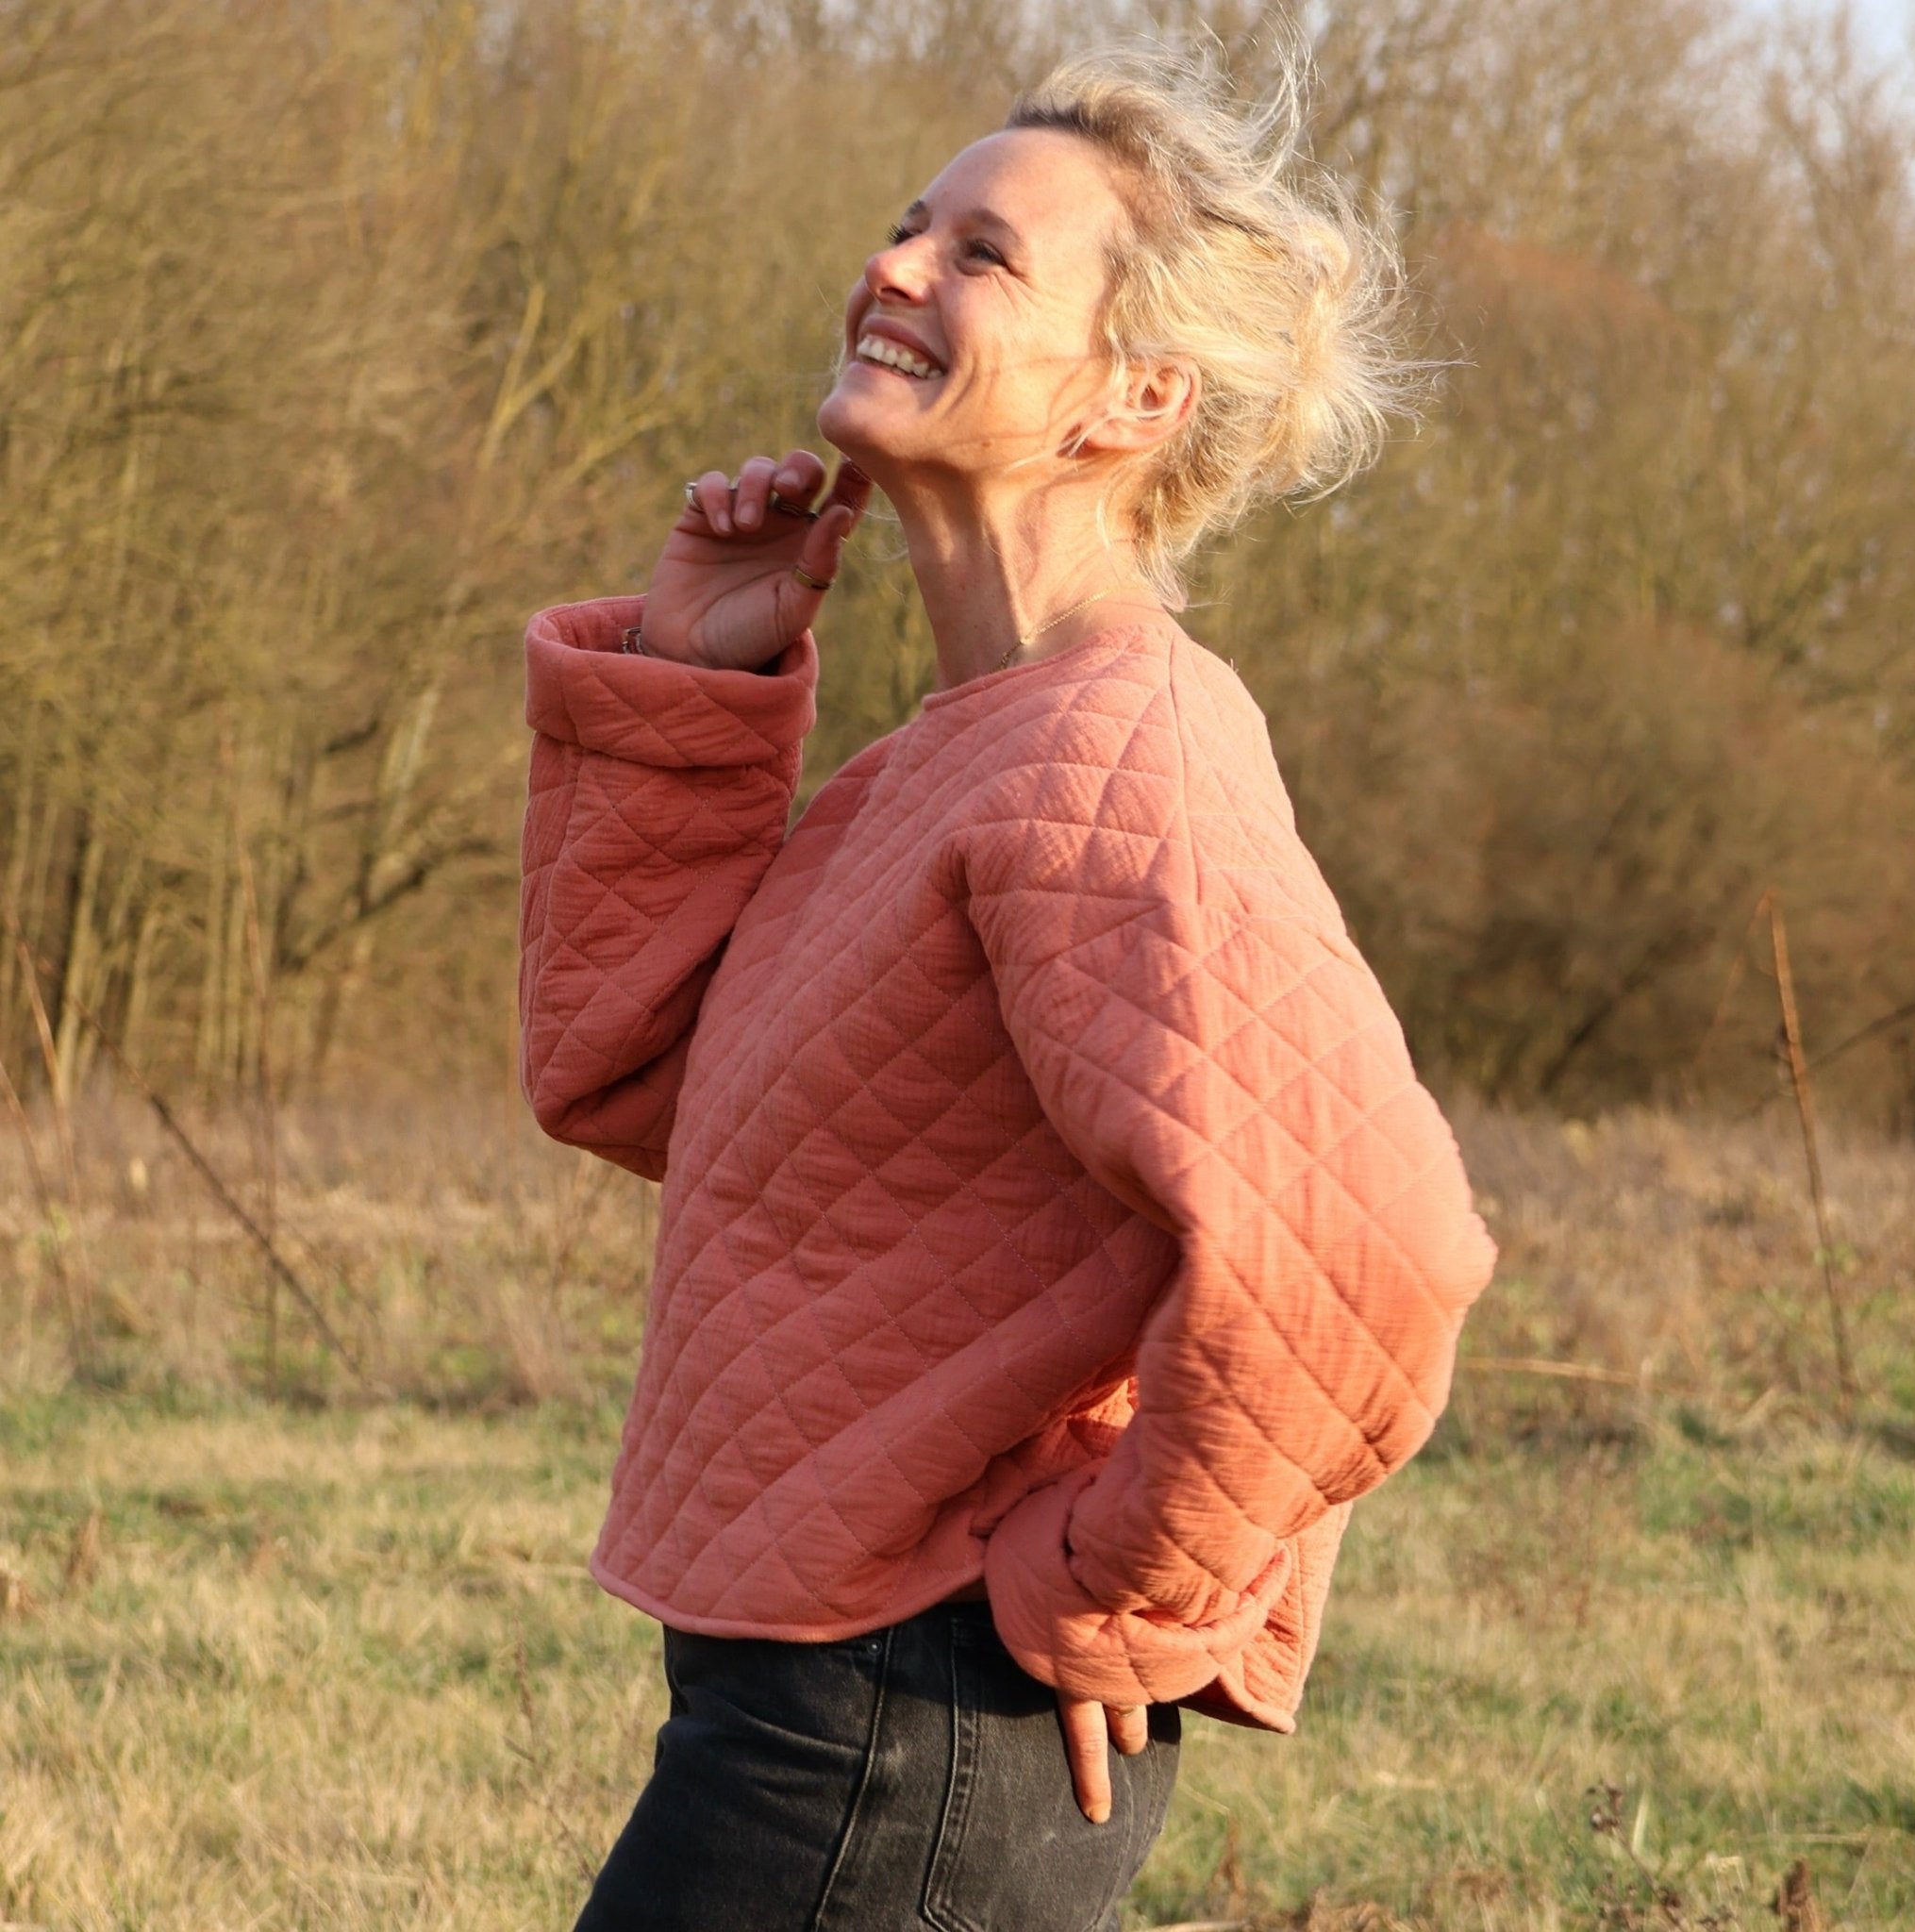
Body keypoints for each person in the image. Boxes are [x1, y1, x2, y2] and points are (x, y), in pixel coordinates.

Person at [518, 41, 1497, 1932]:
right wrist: (694, 684)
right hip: (830, 1694)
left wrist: (1125, 1581)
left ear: (1136, 395)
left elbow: (1364, 1250)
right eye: (907, 227)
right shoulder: (950, 759)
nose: (892, 267)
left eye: (982, 254)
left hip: (914, 1715)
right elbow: (632, 1082)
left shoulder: (1117, 756)